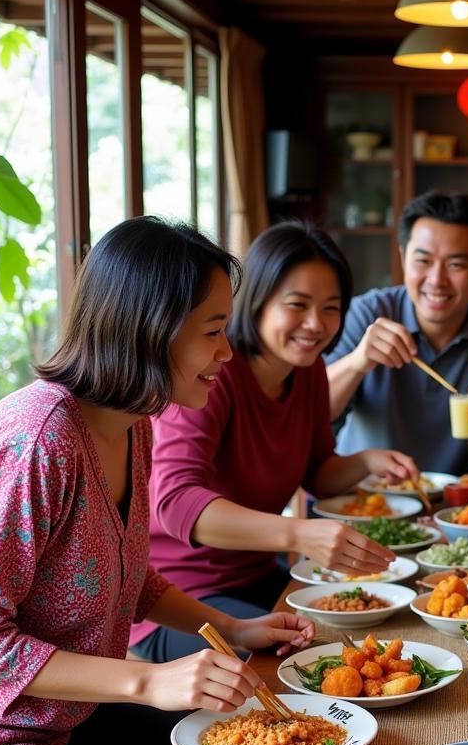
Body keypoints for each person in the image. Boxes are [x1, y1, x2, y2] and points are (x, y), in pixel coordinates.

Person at [0, 217, 314, 745]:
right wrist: (148, 680)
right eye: (215, 332)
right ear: (153, 328)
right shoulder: (38, 439)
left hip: (71, 726)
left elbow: (127, 578)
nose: (229, 354)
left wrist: (232, 628)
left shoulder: (133, 424)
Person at [133, 222, 414, 663]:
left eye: (331, 308)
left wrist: (366, 461)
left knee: (370, 631)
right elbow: (175, 502)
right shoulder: (211, 375)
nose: (315, 324)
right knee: (301, 662)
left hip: (260, 575)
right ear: (258, 301)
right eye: (298, 305)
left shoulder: (308, 372)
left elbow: (318, 472)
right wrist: (299, 532)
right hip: (181, 599)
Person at [325, 190, 468, 473]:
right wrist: (357, 362)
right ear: (402, 257)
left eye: (456, 264)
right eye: (423, 260)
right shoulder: (366, 314)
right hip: (364, 497)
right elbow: (315, 413)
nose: (436, 280)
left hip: (454, 507)